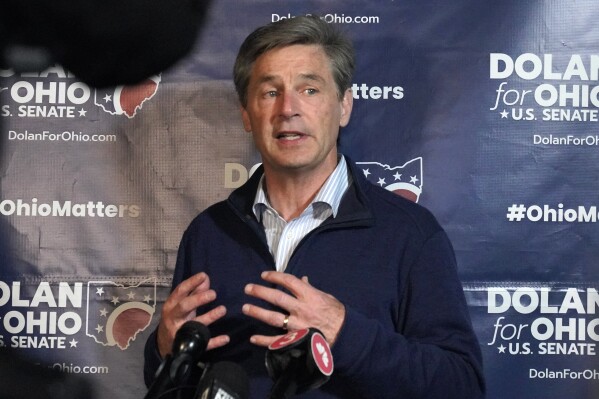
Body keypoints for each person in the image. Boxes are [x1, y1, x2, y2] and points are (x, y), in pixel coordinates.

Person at [144, 15, 485, 398]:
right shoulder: (209, 233)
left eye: (309, 90)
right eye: (270, 92)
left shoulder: (411, 234)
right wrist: (165, 351)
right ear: (246, 114)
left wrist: (343, 331)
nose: (288, 108)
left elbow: (461, 385)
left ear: (343, 107)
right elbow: (175, 385)